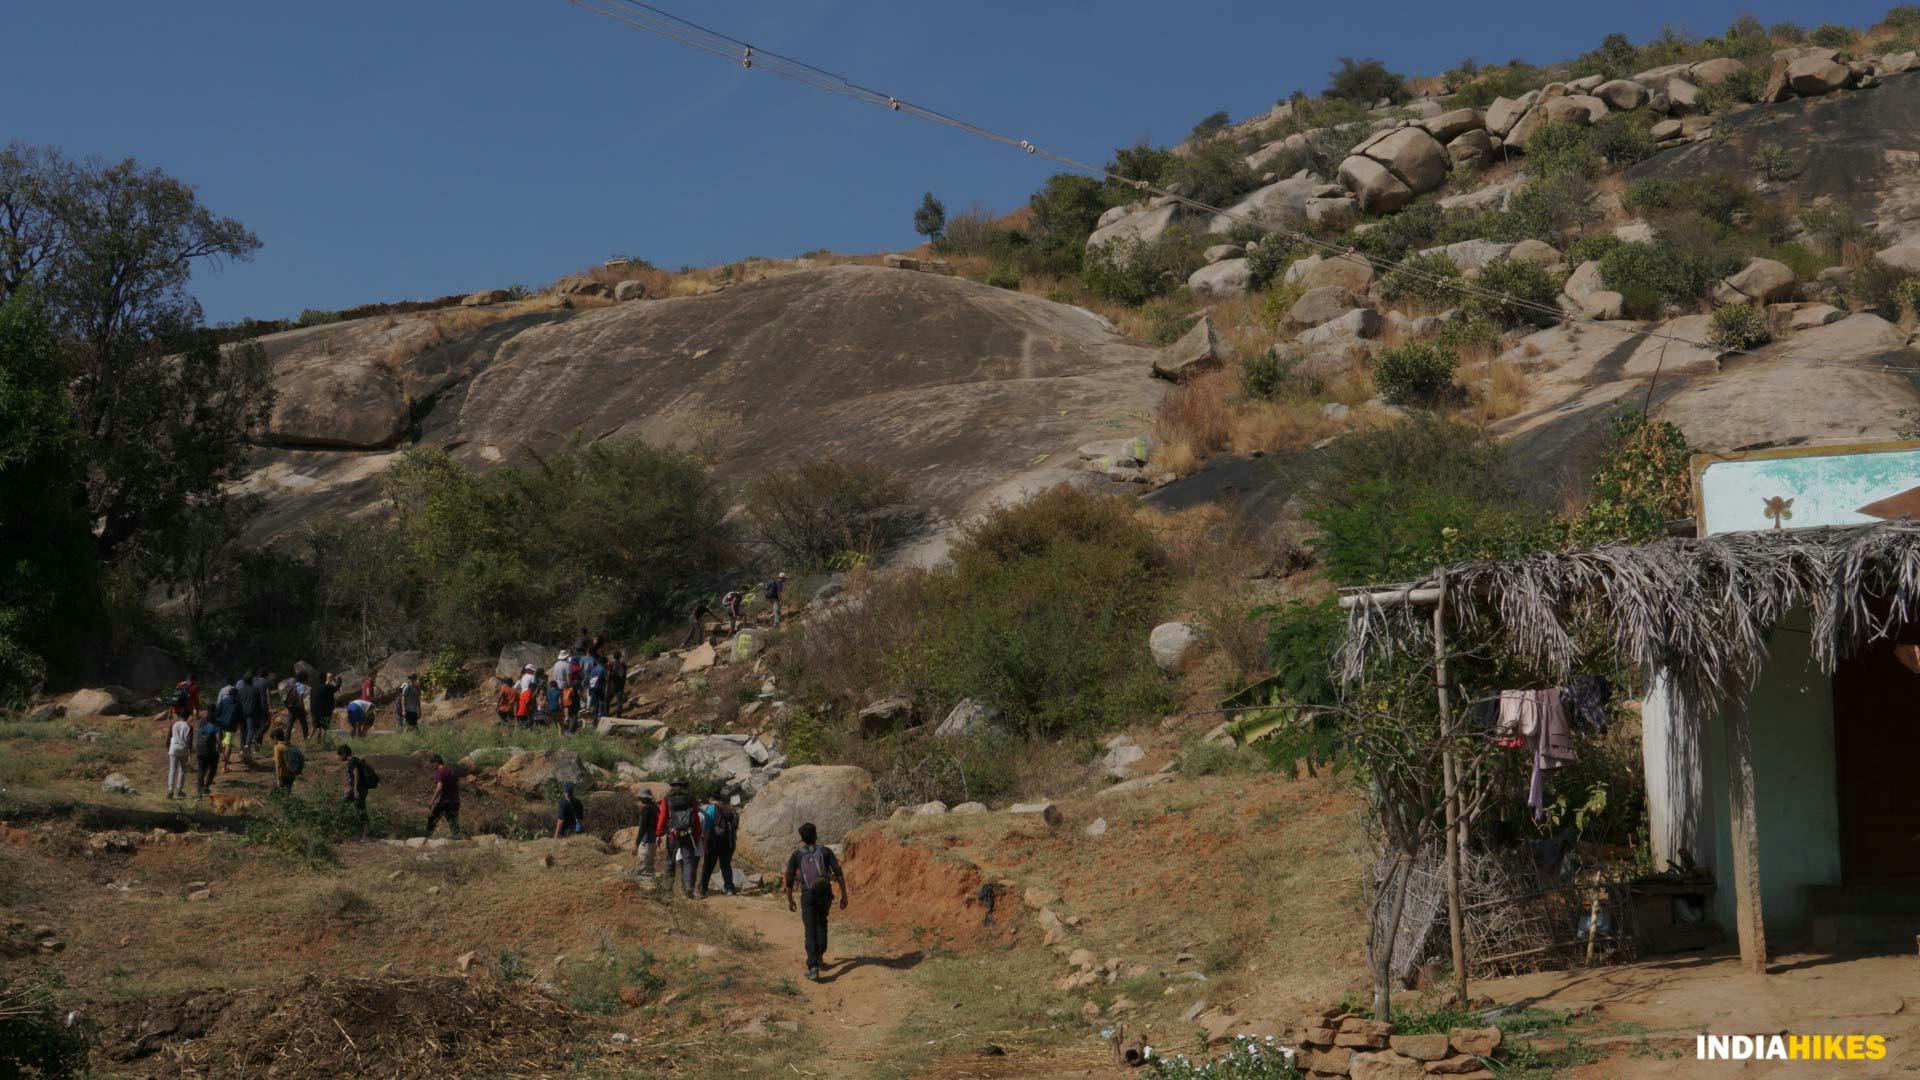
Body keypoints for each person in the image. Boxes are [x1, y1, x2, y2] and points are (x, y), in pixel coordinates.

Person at [784, 822, 848, 981]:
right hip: (824, 893)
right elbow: (838, 873)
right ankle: (819, 956)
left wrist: (790, 900)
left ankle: (813, 966)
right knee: (821, 924)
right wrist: (844, 895)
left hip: (807, 895)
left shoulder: (797, 855)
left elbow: (789, 879)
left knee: (810, 929)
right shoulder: (825, 851)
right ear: (816, 834)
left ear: (802, 838)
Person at [657, 780, 703, 899]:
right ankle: (688, 887)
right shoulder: (690, 799)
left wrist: (659, 833)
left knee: (670, 861)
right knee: (688, 861)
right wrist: (697, 834)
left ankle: (667, 890)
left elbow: (663, 816)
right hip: (688, 834)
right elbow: (696, 818)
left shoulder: (667, 799)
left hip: (672, 834)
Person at [698, 793, 739, 898]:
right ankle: (729, 888)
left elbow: (706, 828)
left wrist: (705, 844)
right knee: (726, 866)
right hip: (728, 842)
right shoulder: (731, 809)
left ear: (711, 799)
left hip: (714, 841)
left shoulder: (711, 809)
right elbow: (734, 827)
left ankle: (703, 888)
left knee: (708, 866)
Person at [337, 744, 374, 833]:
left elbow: (356, 774)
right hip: (362, 788)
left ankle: (338, 827)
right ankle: (366, 831)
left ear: (345, 753)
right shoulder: (356, 760)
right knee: (360, 808)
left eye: (340, 755)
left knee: (342, 805)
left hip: (359, 789)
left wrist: (355, 790)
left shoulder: (352, 762)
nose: (340, 757)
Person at [425, 753, 460, 837]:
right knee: (453, 822)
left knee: (432, 820)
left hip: (445, 802)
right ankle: (457, 838)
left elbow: (439, 787)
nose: (432, 766)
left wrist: (432, 801)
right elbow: (457, 785)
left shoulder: (439, 772)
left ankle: (426, 839)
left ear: (437, 762)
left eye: (432, 764)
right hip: (456, 801)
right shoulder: (451, 771)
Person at [214, 678, 243, 771]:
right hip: (231, 726)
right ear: (236, 695)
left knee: (219, 743)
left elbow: (217, 712)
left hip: (221, 725)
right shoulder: (238, 704)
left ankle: (219, 758)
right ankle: (225, 766)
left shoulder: (223, 701)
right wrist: (239, 728)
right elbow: (240, 717)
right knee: (228, 745)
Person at [192, 711, 222, 799]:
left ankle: (199, 793)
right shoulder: (217, 724)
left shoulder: (202, 723)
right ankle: (206, 786)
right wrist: (221, 751)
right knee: (213, 769)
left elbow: (197, 736)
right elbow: (218, 739)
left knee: (201, 771)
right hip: (211, 752)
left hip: (201, 750)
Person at [165, 706, 193, 799]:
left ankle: (170, 790)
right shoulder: (189, 726)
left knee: (172, 770)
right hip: (183, 750)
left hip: (173, 749)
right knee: (182, 771)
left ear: (180, 715)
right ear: (188, 716)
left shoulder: (174, 724)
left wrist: (168, 750)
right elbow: (189, 742)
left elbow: (168, 738)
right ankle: (179, 790)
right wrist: (190, 755)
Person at [633, 789, 659, 876]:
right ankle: (653, 886)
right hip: (653, 840)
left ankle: (643, 886)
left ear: (643, 799)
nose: (639, 801)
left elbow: (642, 828)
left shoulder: (645, 810)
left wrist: (636, 843)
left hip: (645, 841)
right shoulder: (656, 808)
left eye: (640, 799)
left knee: (642, 865)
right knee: (650, 865)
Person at [271, 727, 303, 793]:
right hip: (292, 773)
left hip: (283, 775)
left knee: (274, 795)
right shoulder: (289, 744)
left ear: (275, 738)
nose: (273, 741)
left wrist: (278, 778)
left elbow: (278, 764)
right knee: (287, 793)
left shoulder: (278, 747)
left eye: (273, 739)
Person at [311, 673, 337, 745]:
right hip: (324, 710)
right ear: (326, 678)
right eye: (328, 677)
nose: (330, 678)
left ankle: (320, 741)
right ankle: (320, 741)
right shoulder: (327, 687)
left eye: (331, 677)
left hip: (321, 710)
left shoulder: (316, 687)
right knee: (322, 726)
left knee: (321, 726)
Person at [284, 674, 310, 741]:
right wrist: (303, 709)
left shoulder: (294, 685)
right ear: (304, 679)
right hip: (298, 708)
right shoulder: (302, 686)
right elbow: (300, 699)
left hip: (291, 707)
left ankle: (286, 741)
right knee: (304, 724)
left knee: (289, 725)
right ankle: (305, 738)